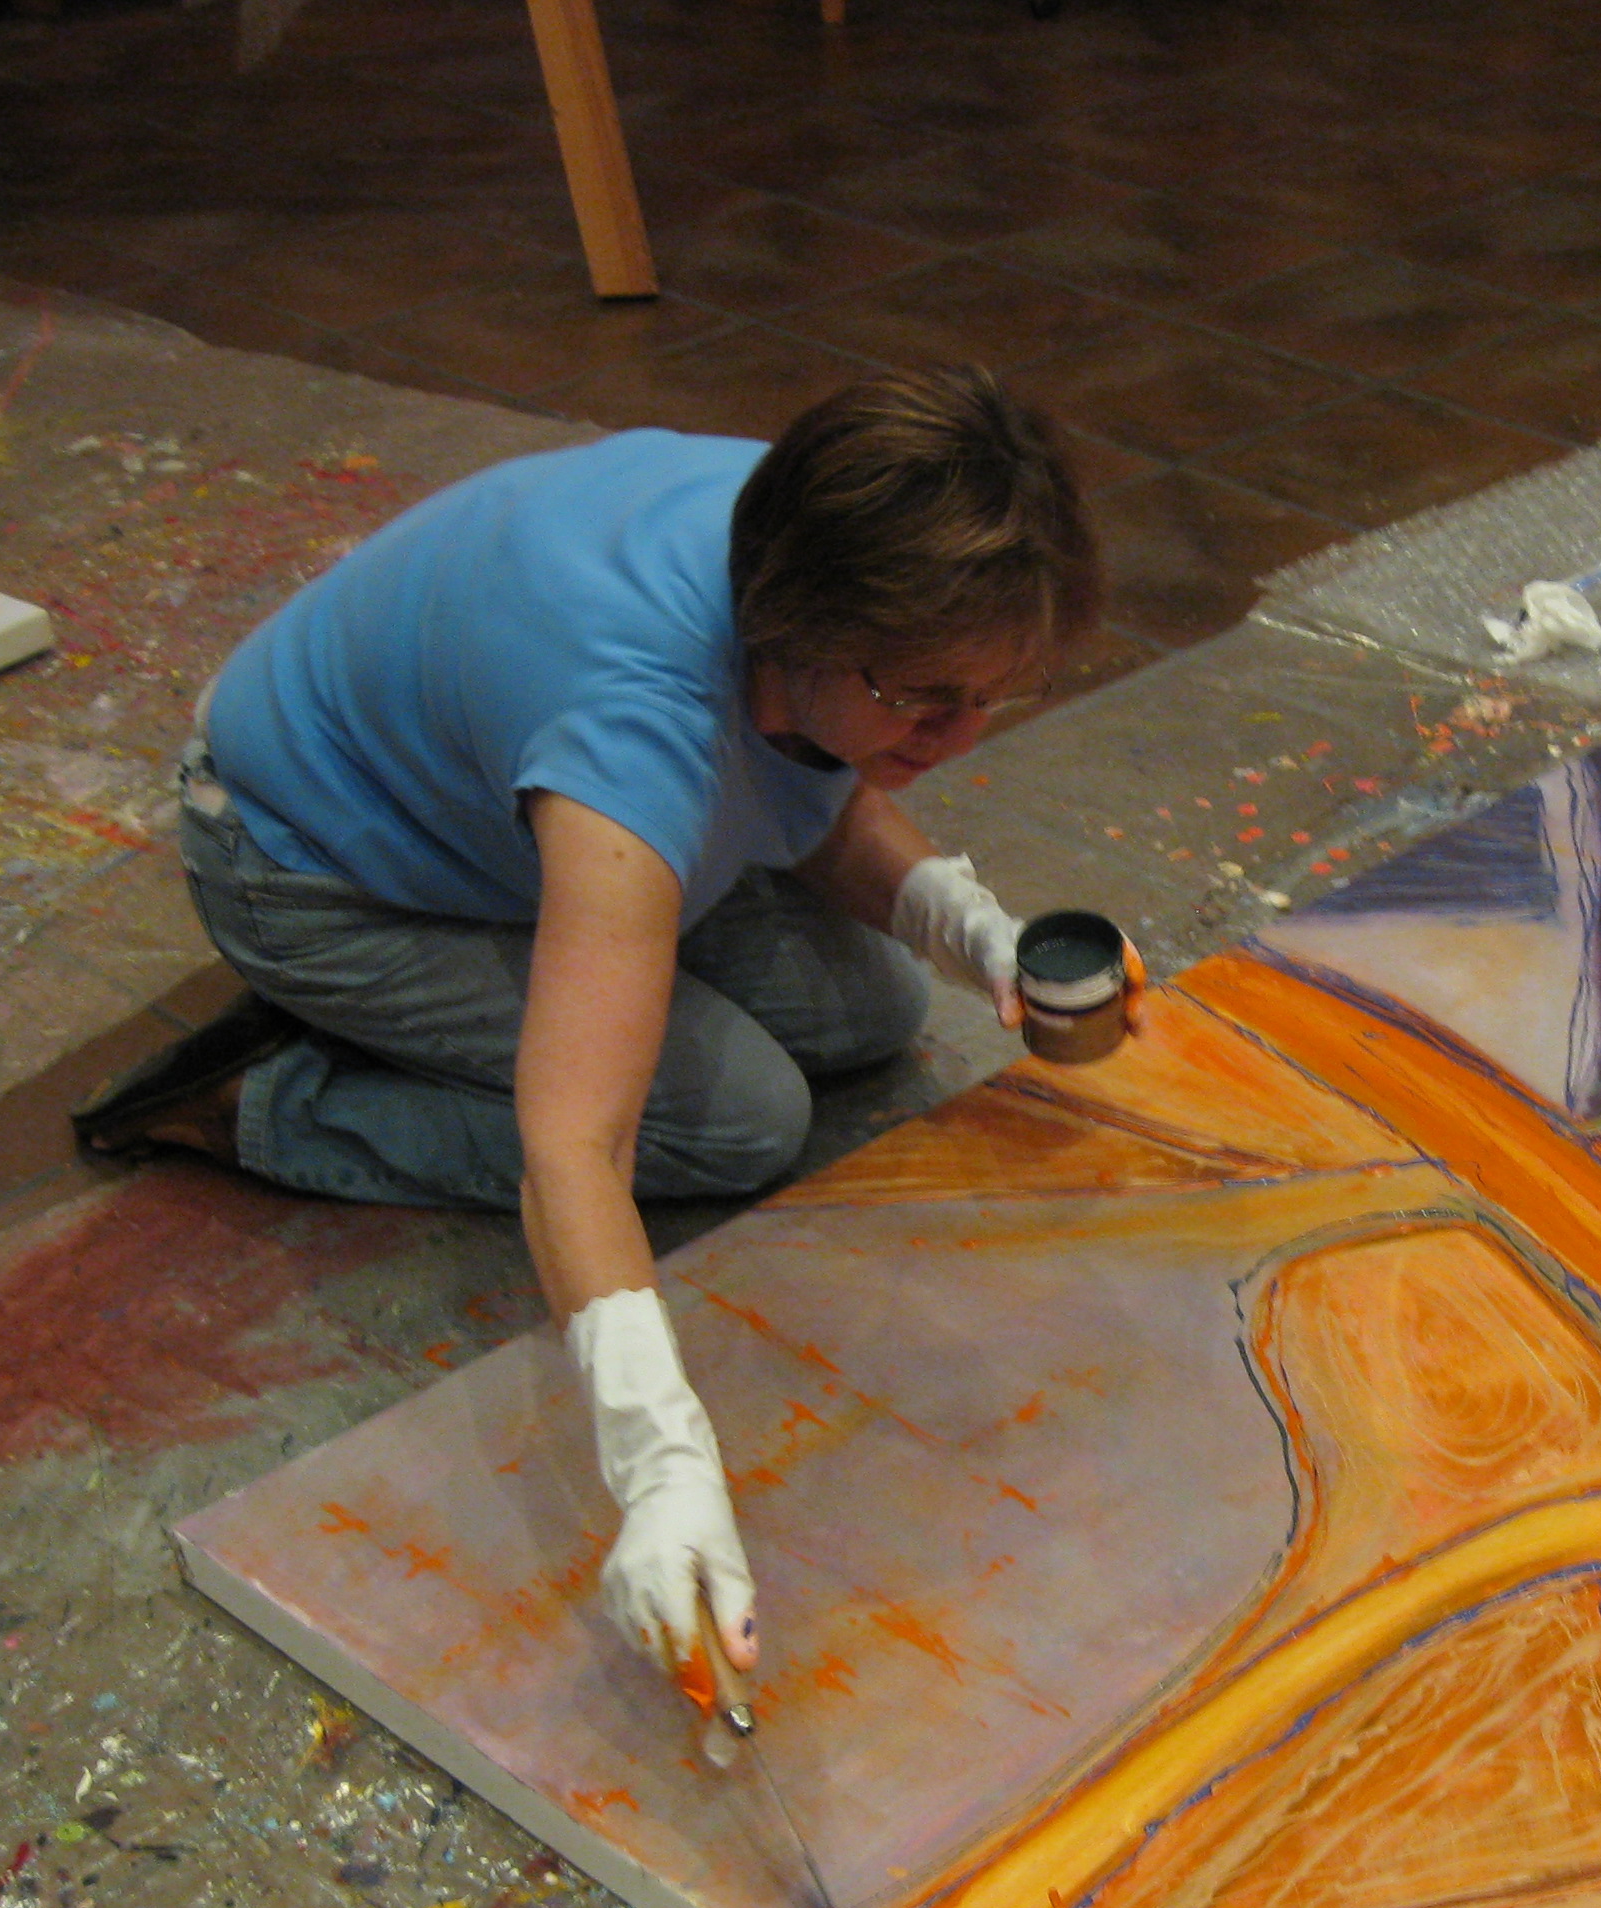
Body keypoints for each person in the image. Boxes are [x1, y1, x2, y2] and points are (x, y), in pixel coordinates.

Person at [74, 365, 1113, 1708]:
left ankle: (570, 966)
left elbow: (819, 786)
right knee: (733, 1117)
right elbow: (577, 1149)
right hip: (313, 869)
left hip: (533, 819)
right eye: (930, 700)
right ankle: (271, 1100)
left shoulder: (835, 522)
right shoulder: (632, 724)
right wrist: (664, 1466)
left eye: (991, 697)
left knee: (878, 1007)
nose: (958, 736)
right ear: (800, 627)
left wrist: (984, 938)